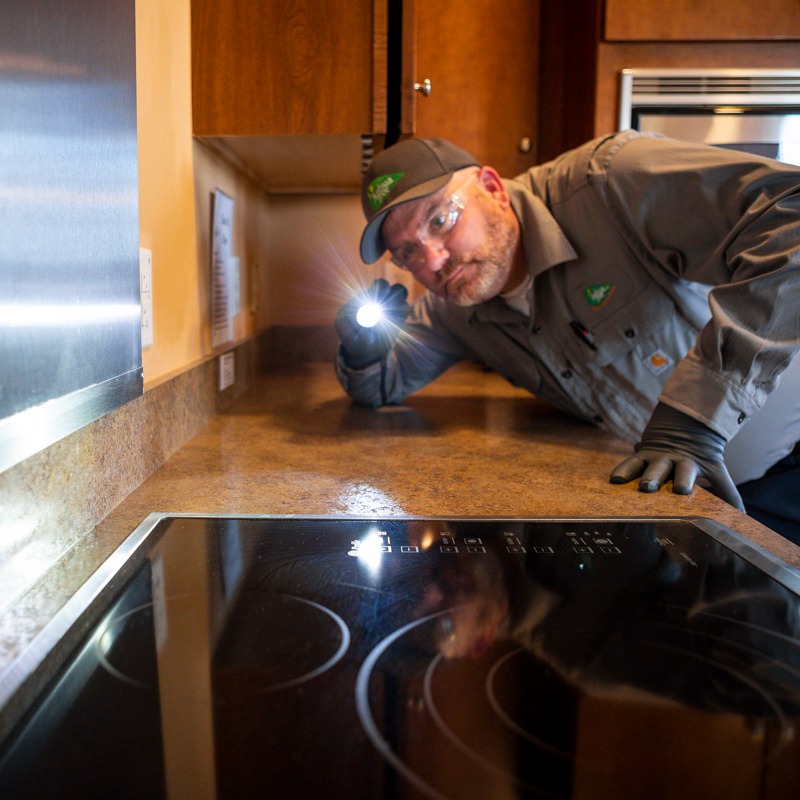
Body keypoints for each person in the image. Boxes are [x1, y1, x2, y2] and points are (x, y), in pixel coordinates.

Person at [334, 133, 800, 543]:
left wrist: (696, 420)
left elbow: (790, 215)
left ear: (492, 188)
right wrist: (362, 349)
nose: (433, 262)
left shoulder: (609, 182)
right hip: (684, 510)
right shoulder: (457, 310)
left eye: (440, 220)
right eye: (408, 252)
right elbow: (379, 381)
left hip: (788, 473)